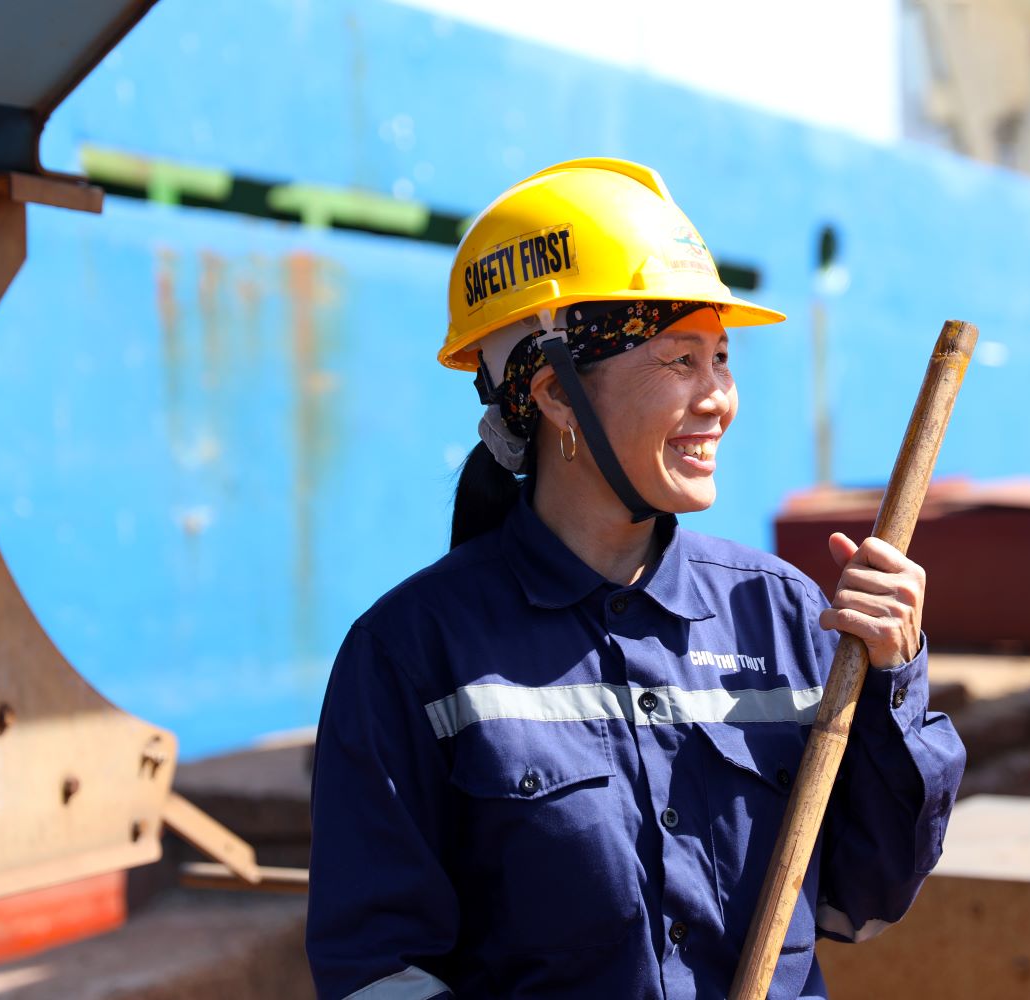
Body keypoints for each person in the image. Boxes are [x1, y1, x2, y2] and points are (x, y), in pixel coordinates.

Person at [305, 158, 966, 1000]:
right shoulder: (409, 655)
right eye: (677, 360)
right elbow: (377, 971)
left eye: (721, 357)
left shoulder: (786, 618)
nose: (718, 396)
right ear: (552, 392)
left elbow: (861, 904)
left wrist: (892, 686)